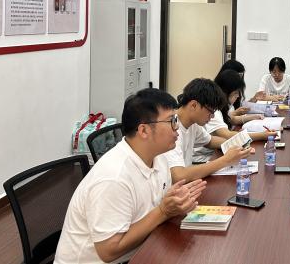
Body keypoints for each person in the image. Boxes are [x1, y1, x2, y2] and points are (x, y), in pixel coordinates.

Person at [55, 88, 206, 264]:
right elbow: (108, 252)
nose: (177, 127)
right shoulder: (114, 177)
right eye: (171, 121)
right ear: (144, 130)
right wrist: (163, 211)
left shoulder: (159, 157)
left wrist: (175, 203)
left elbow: (157, 208)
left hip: (141, 250)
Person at [164, 78, 254, 183]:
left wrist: (237, 146)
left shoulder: (193, 124)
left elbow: (210, 141)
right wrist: (226, 160)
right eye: (211, 112)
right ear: (194, 105)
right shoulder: (171, 128)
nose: (212, 117)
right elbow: (179, 176)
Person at [192, 70, 276, 163]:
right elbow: (228, 135)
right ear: (225, 92)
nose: (238, 96)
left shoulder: (220, 107)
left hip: (213, 154)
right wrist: (261, 135)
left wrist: (239, 140)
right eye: (236, 92)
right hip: (204, 159)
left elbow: (230, 120)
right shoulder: (213, 111)